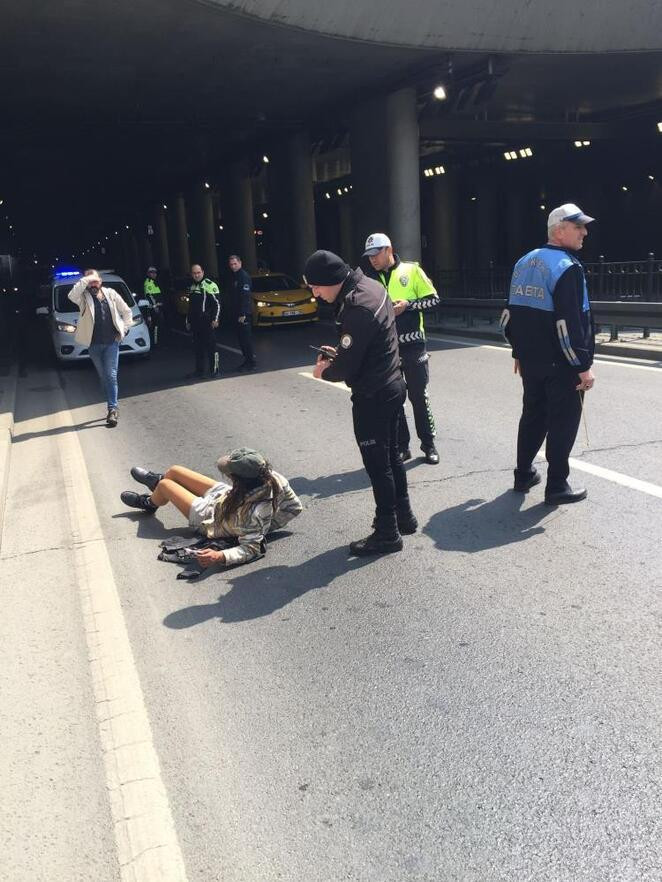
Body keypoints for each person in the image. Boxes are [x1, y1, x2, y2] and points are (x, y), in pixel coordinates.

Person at [304, 249, 417, 556]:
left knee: (378, 466)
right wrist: (342, 352)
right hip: (393, 384)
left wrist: (324, 371)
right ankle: (404, 517)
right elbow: (366, 345)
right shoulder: (372, 286)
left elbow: (347, 366)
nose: (314, 294)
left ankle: (387, 533)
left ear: (332, 280)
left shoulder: (356, 308)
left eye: (316, 287)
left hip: (373, 395)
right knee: (392, 457)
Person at [501, 203, 596, 505]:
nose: (584, 232)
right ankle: (557, 485)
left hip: (531, 360)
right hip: (561, 362)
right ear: (559, 230)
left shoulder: (523, 262)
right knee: (563, 421)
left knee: (533, 414)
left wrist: (518, 351)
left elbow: (511, 315)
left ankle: (523, 474)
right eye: (578, 226)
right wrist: (582, 365)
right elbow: (569, 323)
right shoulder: (567, 267)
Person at [120, 448, 302, 569]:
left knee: (166, 485)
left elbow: (252, 548)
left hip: (209, 518)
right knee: (175, 470)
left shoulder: (253, 515)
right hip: (226, 496)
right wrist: (270, 524)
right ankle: (157, 486)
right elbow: (294, 507)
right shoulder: (272, 477)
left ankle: (150, 502)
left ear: (238, 479)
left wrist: (220, 556)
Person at [361, 233, 440, 466]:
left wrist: (408, 306)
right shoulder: (368, 279)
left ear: (388, 250)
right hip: (386, 348)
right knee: (395, 399)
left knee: (419, 396)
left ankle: (429, 444)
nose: (372, 259)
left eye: (376, 254)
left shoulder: (412, 270)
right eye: (369, 256)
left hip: (413, 345)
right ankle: (402, 447)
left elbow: (434, 300)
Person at [68, 269, 134, 427]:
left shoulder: (111, 294)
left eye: (95, 281)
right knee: (103, 377)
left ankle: (113, 409)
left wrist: (123, 330)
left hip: (112, 343)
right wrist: (87, 279)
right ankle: (111, 398)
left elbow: (127, 312)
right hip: (94, 345)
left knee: (111, 375)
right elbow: (71, 295)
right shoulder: (83, 298)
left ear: (101, 281)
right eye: (89, 281)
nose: (92, 284)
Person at [186, 263, 221, 379]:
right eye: (194, 273)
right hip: (196, 322)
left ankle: (215, 370)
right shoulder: (192, 287)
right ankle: (199, 371)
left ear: (203, 272)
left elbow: (217, 304)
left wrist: (215, 319)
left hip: (207, 321)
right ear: (191, 274)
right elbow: (190, 306)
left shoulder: (210, 285)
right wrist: (188, 321)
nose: (196, 275)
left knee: (211, 347)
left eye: (198, 273)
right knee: (198, 348)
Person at [228, 254, 256, 371]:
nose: (233, 266)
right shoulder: (234, 276)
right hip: (237, 313)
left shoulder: (243, 276)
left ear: (240, 263)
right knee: (241, 339)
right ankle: (247, 361)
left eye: (235, 264)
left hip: (243, 314)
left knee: (246, 339)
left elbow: (246, 296)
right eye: (231, 264)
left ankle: (251, 363)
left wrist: (243, 313)